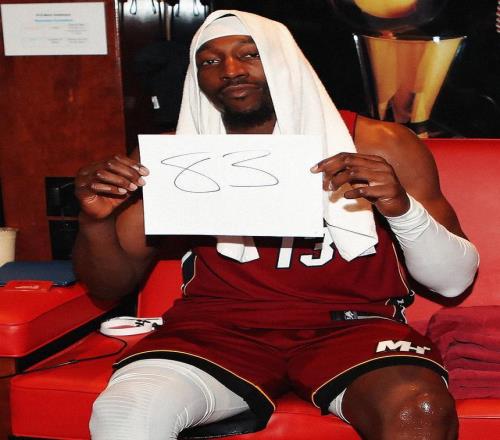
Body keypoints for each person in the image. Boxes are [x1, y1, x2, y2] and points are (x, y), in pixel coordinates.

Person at [73, 10, 479, 440]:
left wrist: (400, 208)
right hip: (217, 327)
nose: (231, 70)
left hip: (353, 325)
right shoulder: (178, 158)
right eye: (210, 61)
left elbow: (453, 282)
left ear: (285, 59)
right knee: (126, 411)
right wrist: (95, 222)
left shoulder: (379, 144)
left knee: (420, 410)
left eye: (250, 54)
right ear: (197, 77)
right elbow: (108, 286)